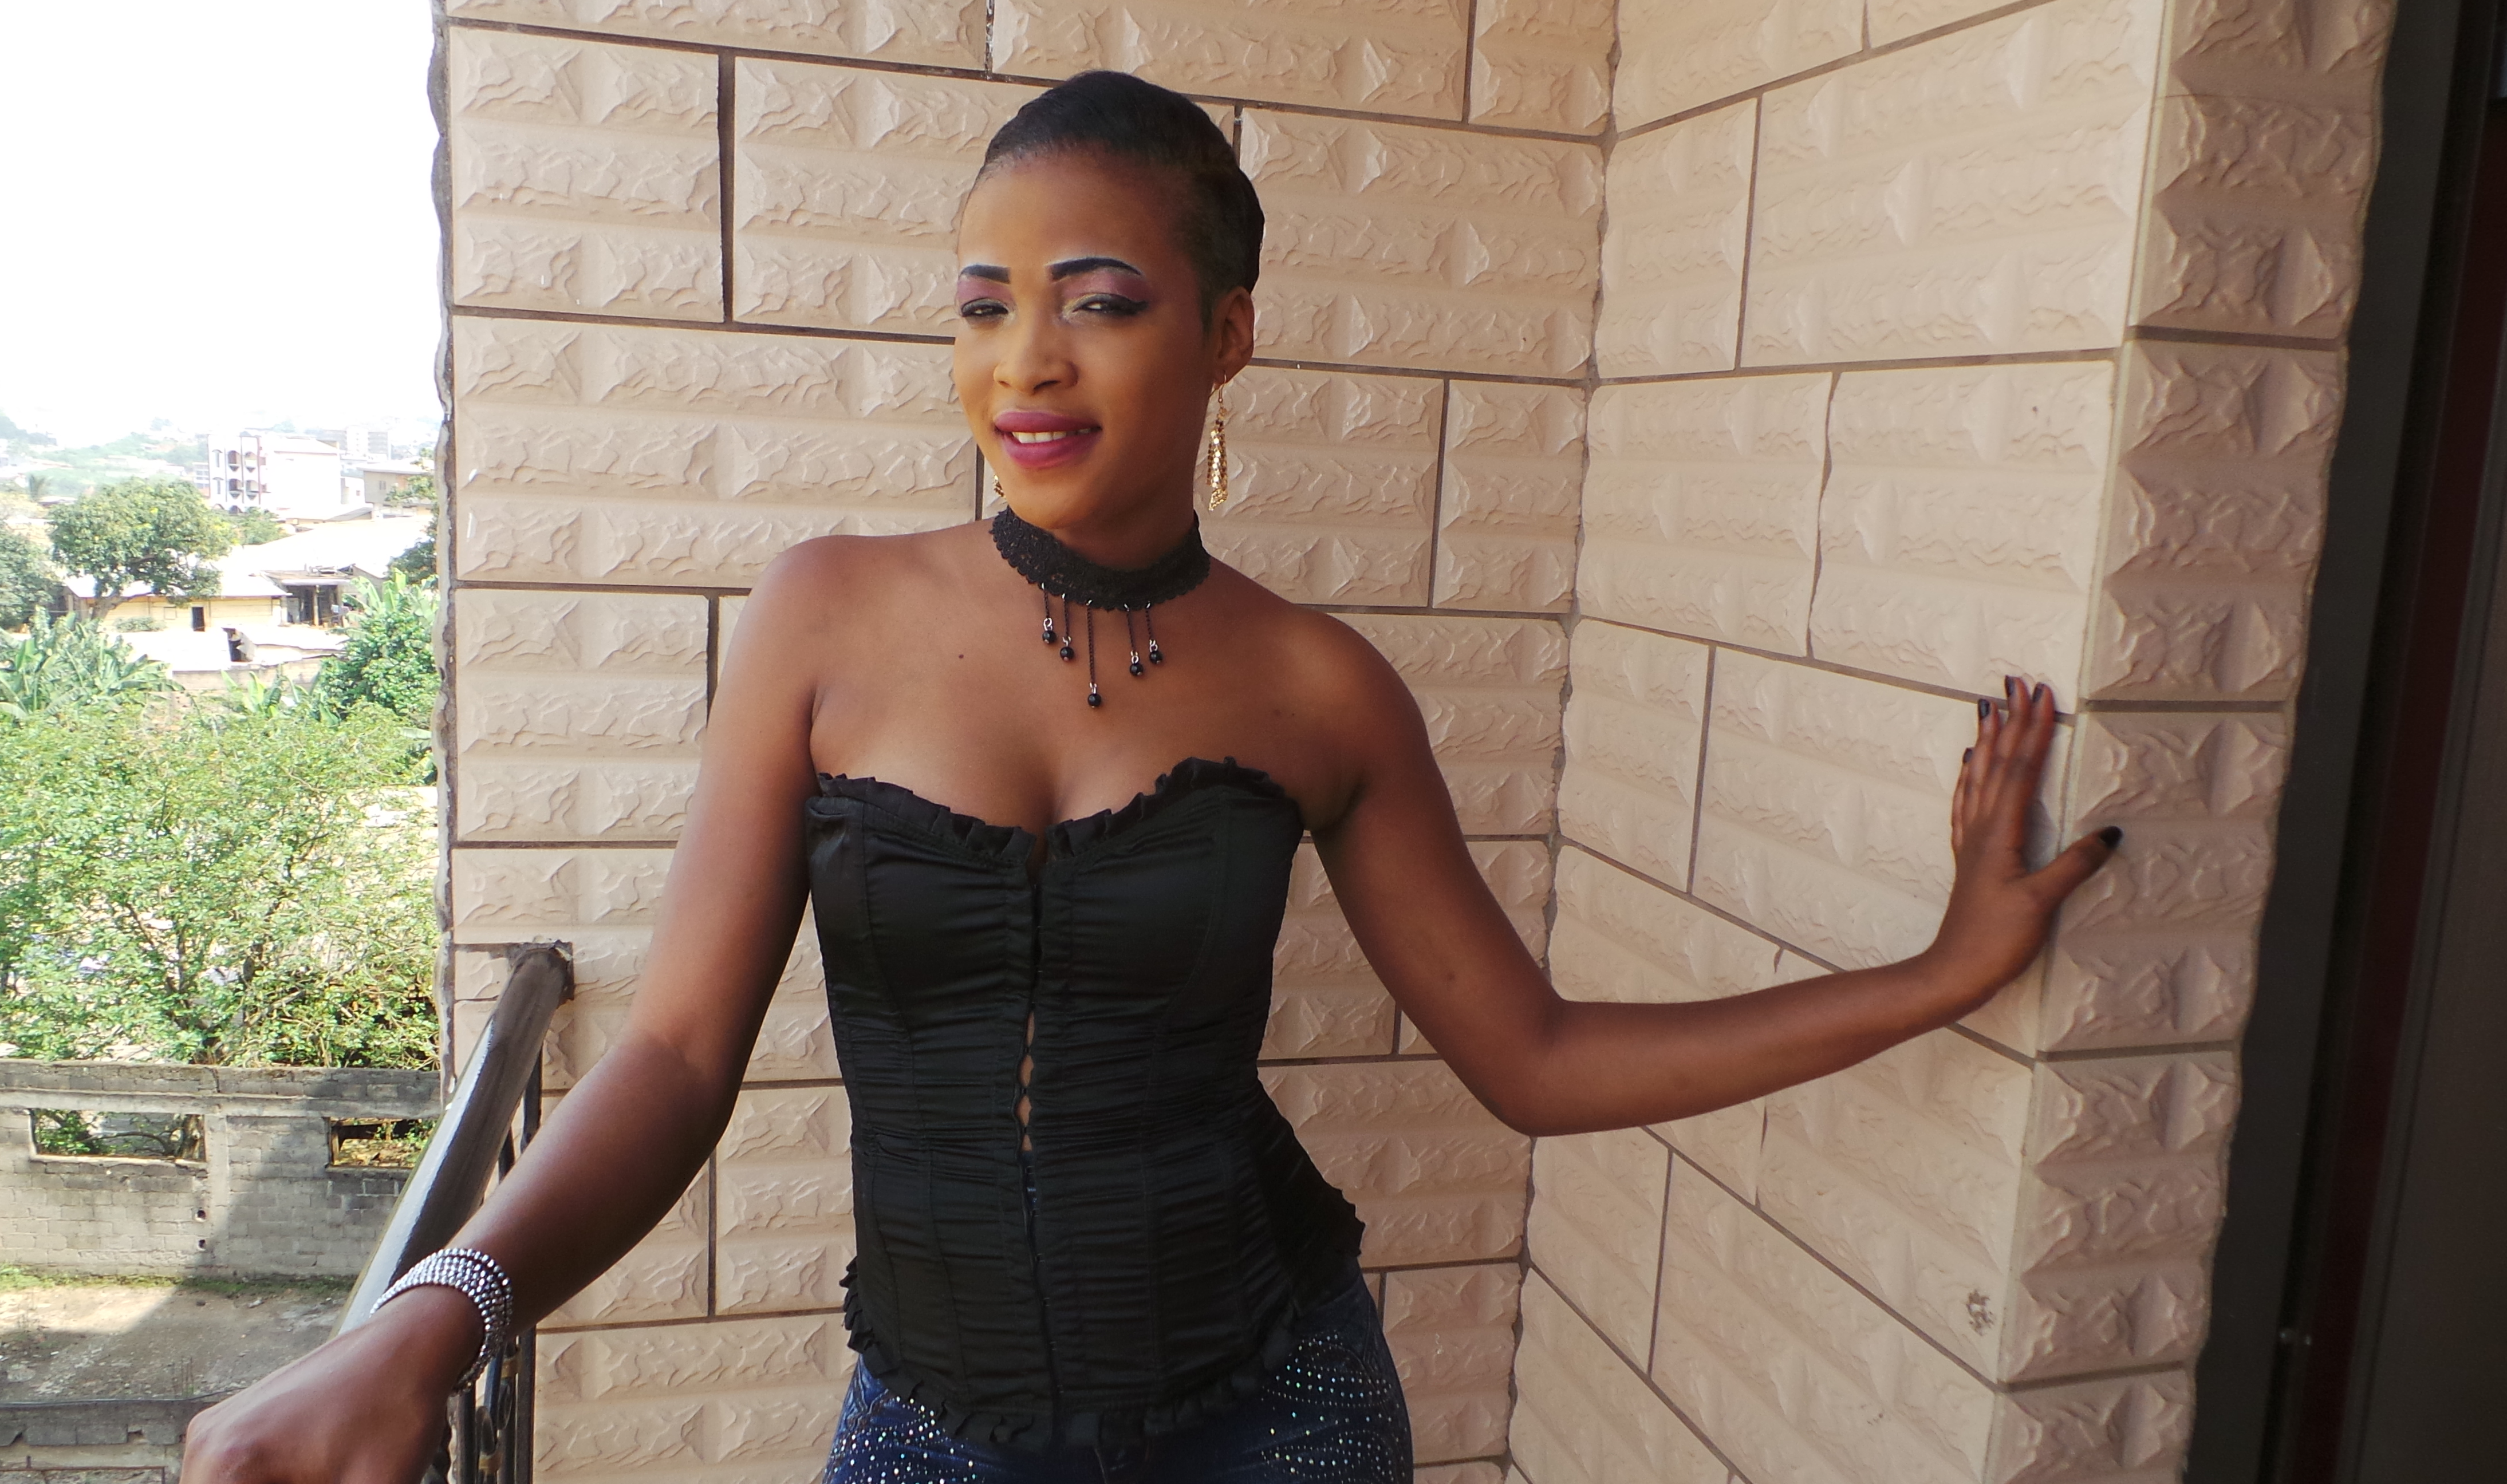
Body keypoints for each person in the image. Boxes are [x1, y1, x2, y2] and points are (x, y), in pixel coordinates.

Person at [182, 70, 2116, 1484]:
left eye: (1098, 299)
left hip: (1283, 1412)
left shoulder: (1322, 687)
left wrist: (1941, 973)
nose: (1027, 360)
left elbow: (1532, 1060)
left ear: (1226, 332)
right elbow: (680, 1056)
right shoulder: (823, 618)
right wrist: (439, 1314)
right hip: (935, 1430)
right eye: (984, 303)